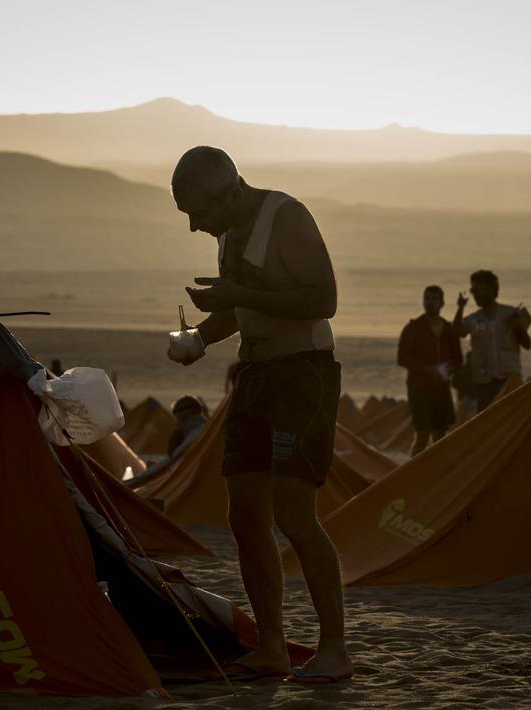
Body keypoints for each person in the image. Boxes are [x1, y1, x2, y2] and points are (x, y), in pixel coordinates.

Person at [167, 146, 352, 683]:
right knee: (245, 515)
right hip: (255, 376)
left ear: (228, 191)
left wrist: (239, 293)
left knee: (294, 514)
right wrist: (200, 337)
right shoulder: (229, 232)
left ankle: (334, 650)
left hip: (303, 374)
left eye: (197, 213)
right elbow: (243, 306)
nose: (195, 227)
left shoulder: (285, 216)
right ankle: (271, 646)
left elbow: (323, 298)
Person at [397, 285, 463, 455]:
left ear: (442, 303)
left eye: (434, 299)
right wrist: (427, 370)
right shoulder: (413, 327)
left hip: (442, 388)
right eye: (427, 299)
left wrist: (448, 369)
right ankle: (413, 475)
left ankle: (437, 475)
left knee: (440, 436)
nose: (430, 303)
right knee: (421, 436)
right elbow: (402, 358)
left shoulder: (448, 329)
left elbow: (458, 359)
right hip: (419, 388)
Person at [452, 269, 531, 411]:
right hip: (483, 382)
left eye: (478, 290)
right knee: (486, 424)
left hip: (508, 379)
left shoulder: (510, 313)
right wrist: (460, 308)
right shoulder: (474, 319)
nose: (475, 294)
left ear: (492, 290)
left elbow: (527, 344)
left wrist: (518, 328)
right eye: (473, 290)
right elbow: (456, 332)